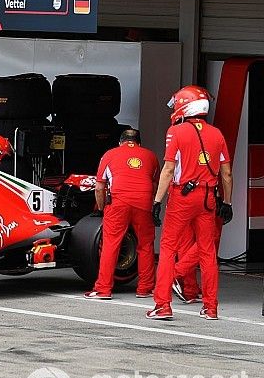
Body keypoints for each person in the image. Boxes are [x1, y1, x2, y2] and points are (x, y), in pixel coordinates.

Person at [147, 86, 233, 321]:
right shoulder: (217, 134)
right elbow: (226, 174)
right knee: (207, 253)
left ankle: (163, 305)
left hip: (182, 197)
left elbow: (168, 170)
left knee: (167, 249)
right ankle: (211, 307)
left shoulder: (176, 132)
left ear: (185, 105)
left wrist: (156, 201)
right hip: (208, 198)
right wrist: (227, 202)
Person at [83, 128, 159, 300]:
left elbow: (99, 187)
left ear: (120, 141)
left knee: (111, 244)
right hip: (144, 201)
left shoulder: (109, 155)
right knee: (145, 245)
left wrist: (102, 208)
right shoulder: (151, 156)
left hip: (119, 203)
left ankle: (103, 289)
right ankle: (145, 288)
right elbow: (155, 185)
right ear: (139, 142)